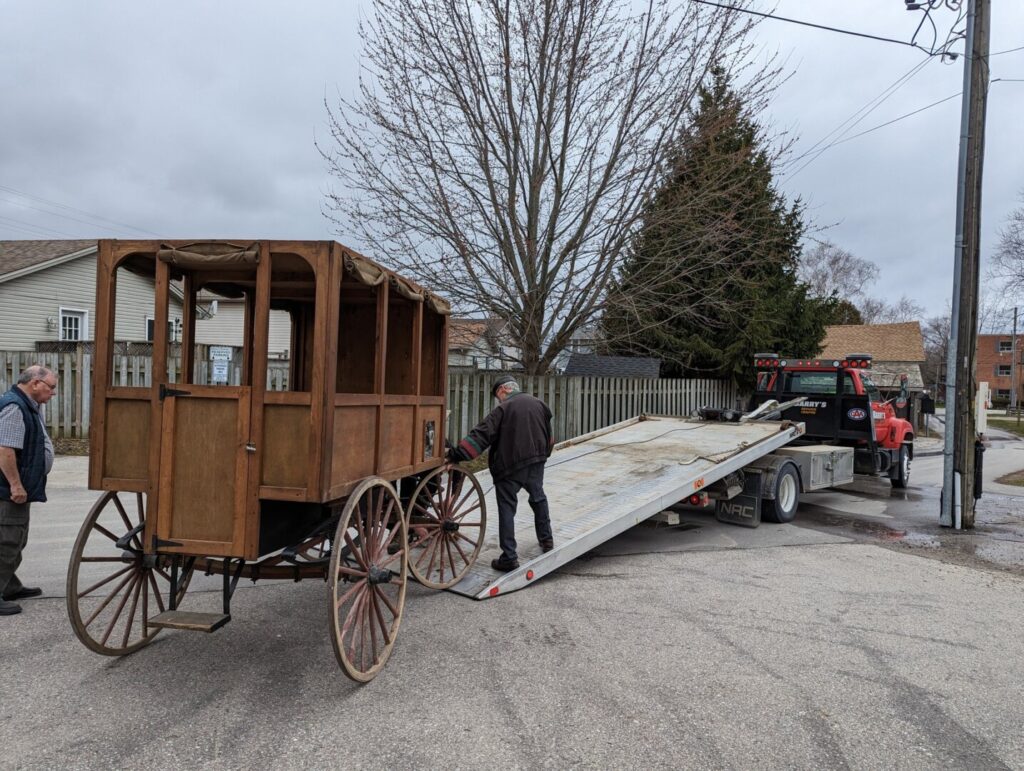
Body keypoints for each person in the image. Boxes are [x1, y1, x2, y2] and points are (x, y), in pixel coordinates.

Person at [448, 375, 554, 572]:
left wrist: (457, 454)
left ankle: (509, 557)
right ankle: (547, 540)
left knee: (507, 509)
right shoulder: (539, 404)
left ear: (503, 390)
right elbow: (549, 436)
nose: (498, 400)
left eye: (498, 395)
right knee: (538, 498)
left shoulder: (503, 409)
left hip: (510, 466)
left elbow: (481, 435)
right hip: (536, 461)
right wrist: (543, 456)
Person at [0, 365, 57, 616]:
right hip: (8, 491)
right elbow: (5, 450)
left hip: (20, 488)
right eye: (51, 387)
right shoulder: (15, 407)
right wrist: (15, 484)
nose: (53, 392)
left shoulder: (28, 406)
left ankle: (10, 586)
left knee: (17, 539)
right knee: (7, 541)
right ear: (35, 383)